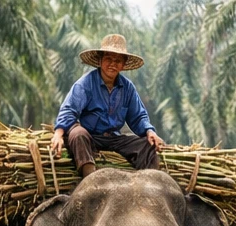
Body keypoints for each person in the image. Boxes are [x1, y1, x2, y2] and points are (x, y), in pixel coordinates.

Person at [50, 34, 164, 178]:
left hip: (113, 138)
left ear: (123, 65)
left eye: (118, 60)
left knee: (148, 145)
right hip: (90, 137)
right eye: (108, 59)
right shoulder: (85, 84)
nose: (113, 64)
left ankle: (146, 182)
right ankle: (89, 178)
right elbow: (69, 110)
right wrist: (58, 134)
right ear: (100, 61)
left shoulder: (127, 88)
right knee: (77, 134)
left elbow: (138, 117)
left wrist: (149, 132)